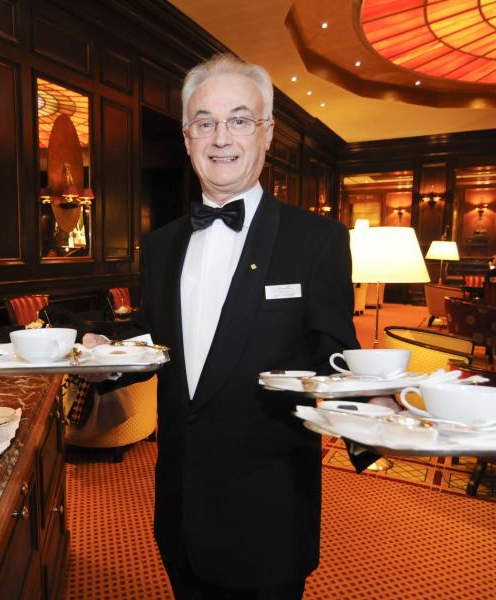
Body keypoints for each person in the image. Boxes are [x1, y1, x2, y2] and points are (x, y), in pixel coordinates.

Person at [88, 54, 358, 599]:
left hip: (269, 512)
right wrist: (105, 362)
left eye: (239, 119)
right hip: (181, 504)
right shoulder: (161, 244)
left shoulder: (318, 240)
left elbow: (337, 355)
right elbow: (158, 338)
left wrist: (374, 409)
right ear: (188, 139)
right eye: (204, 122)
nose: (221, 137)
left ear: (267, 134)